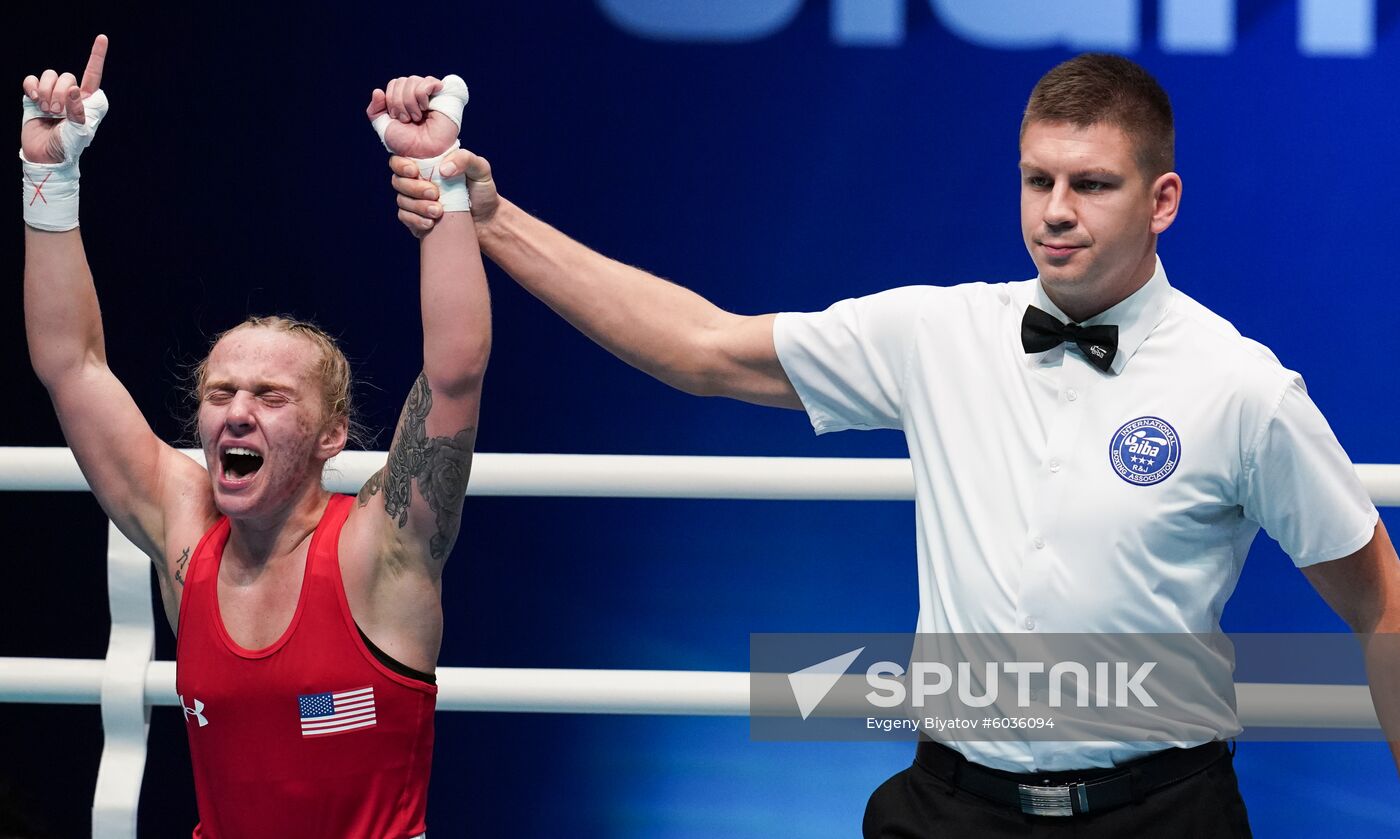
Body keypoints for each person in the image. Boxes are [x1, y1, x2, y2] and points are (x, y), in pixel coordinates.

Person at [387, 53, 1400, 836]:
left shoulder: (1241, 386)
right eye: (1034, 178)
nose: (1052, 211)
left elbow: (1380, 600)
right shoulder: (937, 332)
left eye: (1088, 183)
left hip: (1164, 810)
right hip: (948, 805)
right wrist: (484, 209)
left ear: (1161, 201)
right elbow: (699, 346)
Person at [21, 36, 491, 837]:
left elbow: (453, 373)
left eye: (271, 396)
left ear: (330, 433)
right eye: (220, 391)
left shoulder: (382, 551)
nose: (237, 410)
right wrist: (49, 178)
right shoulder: (185, 529)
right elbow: (73, 365)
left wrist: (436, 177)